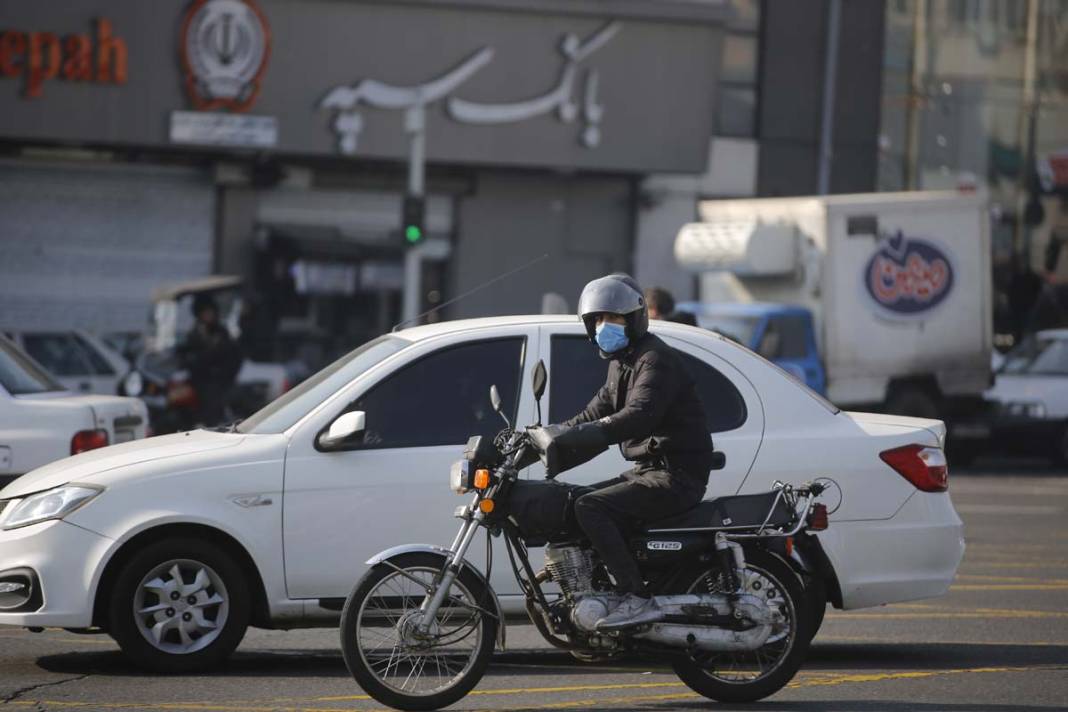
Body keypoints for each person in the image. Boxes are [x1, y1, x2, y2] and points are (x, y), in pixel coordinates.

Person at [548, 273, 717, 630]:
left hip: (675, 474)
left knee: (589, 507)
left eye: (613, 318)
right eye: (597, 320)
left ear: (635, 319)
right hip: (649, 470)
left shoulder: (655, 360)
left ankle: (636, 598)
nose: (603, 326)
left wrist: (588, 433)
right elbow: (592, 414)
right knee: (573, 500)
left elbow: (638, 415)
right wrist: (543, 438)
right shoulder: (623, 363)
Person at [178, 294, 243, 426]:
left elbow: (231, 355)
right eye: (205, 312)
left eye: (210, 312)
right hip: (199, 378)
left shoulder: (221, 332)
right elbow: (189, 355)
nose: (208, 315)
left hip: (219, 379)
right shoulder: (195, 333)